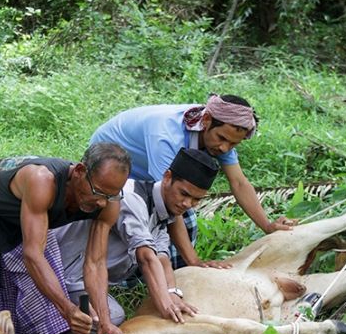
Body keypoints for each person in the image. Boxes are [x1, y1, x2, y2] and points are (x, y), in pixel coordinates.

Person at [0, 144, 131, 334]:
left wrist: (105, 322)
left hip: (30, 218)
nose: (102, 203)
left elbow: (96, 263)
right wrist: (68, 309)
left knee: (45, 303)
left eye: (111, 196)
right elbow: (33, 255)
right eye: (98, 192)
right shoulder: (42, 180)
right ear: (79, 172)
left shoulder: (109, 202)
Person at [89, 94, 297, 269]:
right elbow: (168, 196)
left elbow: (239, 183)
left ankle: (171, 270)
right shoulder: (167, 136)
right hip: (109, 167)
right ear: (206, 121)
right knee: (149, 217)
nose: (225, 148)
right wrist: (195, 261)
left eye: (233, 144)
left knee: (184, 218)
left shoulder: (217, 135)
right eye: (222, 139)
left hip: (145, 169)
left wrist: (268, 226)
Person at [55, 147, 221, 326]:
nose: (188, 204)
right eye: (184, 194)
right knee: (105, 319)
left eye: (196, 200)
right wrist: (166, 307)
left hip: (84, 280)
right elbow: (146, 257)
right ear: (167, 177)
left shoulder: (163, 213)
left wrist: (172, 292)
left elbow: (162, 259)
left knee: (112, 316)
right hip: (65, 272)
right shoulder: (132, 197)